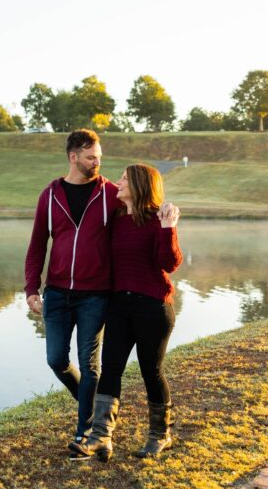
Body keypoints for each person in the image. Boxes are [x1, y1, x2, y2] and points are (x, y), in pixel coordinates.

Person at [70, 163, 182, 461]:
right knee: (111, 368)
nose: (118, 183)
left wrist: (169, 227)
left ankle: (160, 435)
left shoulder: (158, 219)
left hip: (153, 307)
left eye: (124, 179)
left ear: (140, 185)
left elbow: (170, 263)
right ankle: (100, 437)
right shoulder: (117, 220)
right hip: (120, 306)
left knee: (151, 371)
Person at [25, 129, 120, 450]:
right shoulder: (50, 195)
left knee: (90, 364)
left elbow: (136, 222)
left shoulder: (110, 194)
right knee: (56, 359)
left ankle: (85, 432)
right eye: (91, 157)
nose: (97, 162)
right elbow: (37, 244)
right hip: (57, 293)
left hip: (96, 294)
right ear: (73, 156)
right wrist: (31, 288)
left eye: (99, 157)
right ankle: (91, 409)